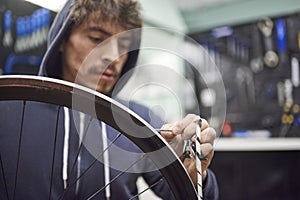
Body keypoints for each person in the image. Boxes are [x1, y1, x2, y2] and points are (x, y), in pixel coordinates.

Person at [0, 0, 218, 199]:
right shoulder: (7, 109)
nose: (113, 56)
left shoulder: (140, 119)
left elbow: (184, 193)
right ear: (61, 41)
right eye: (96, 38)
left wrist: (193, 175)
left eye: (123, 45)